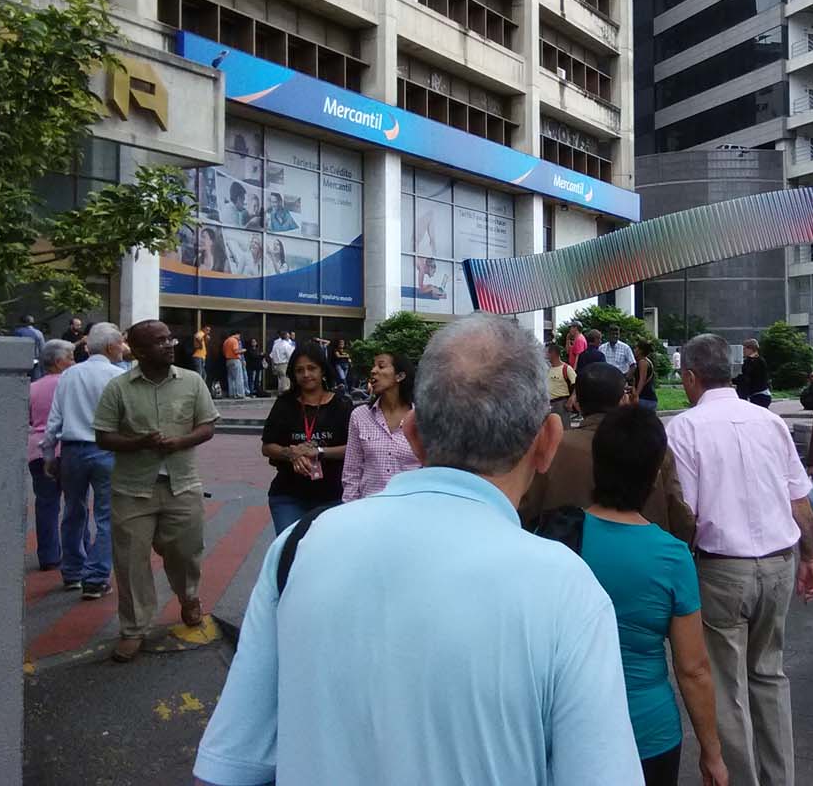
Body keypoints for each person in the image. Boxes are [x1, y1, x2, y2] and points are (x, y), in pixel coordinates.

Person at [193, 313, 642, 785]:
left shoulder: (299, 547)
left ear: (412, 435)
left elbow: (227, 767)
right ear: (548, 441)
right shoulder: (567, 589)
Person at [666, 333, 813, 786]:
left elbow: (686, 514)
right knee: (769, 676)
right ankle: (781, 778)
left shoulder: (684, 428)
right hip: (779, 562)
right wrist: (809, 556)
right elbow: (800, 499)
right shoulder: (769, 422)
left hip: (721, 569)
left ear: (691, 376)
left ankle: (741, 778)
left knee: (726, 686)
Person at [579, 406, 728, 786]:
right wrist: (712, 753)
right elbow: (693, 669)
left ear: (598, 463)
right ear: (654, 472)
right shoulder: (672, 555)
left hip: (571, 724)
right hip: (649, 730)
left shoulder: (560, 536)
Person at [93, 319, 220, 662]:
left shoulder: (192, 381)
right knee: (131, 560)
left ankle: (189, 597)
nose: (170, 344)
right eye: (160, 341)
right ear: (138, 350)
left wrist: (181, 441)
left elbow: (207, 426)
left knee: (185, 550)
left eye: (170, 338)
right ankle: (134, 629)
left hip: (182, 484)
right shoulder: (118, 388)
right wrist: (138, 443)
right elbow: (102, 435)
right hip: (133, 489)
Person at [520, 362, 694, 543]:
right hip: (642, 559)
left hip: (563, 558)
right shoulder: (652, 444)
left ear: (577, 403)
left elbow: (525, 510)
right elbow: (680, 518)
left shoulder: (552, 446)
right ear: (623, 400)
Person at [40, 323, 127, 599]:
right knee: (106, 516)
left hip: (72, 449)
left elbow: (55, 418)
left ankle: (73, 571)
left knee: (73, 512)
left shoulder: (70, 375)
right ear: (112, 346)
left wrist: (48, 453)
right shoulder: (119, 376)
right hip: (107, 450)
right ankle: (96, 577)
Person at [261, 342, 354, 535]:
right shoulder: (284, 404)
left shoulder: (342, 405)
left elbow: (354, 448)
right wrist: (291, 453)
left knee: (327, 553)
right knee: (291, 551)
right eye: (299, 370)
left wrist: (319, 452)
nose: (306, 375)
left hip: (333, 496)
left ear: (322, 370)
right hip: (288, 496)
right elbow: (267, 446)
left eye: (312, 368)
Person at [341, 352, 417, 501]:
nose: (373, 371)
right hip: (369, 507)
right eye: (373, 366)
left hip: (410, 506)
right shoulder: (360, 416)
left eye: (381, 366)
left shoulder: (421, 417)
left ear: (400, 376)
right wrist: (349, 508)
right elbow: (352, 471)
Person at [28, 339, 75, 572]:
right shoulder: (70, 385)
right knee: (74, 506)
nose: (74, 362)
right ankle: (75, 556)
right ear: (59, 362)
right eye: (71, 357)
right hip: (66, 448)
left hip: (36, 450)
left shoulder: (32, 387)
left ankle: (48, 555)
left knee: (46, 504)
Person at [732, 338, 772, 408]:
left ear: (751, 349)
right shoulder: (752, 360)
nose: (743, 351)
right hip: (757, 395)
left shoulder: (756, 361)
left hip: (759, 396)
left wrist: (734, 380)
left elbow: (747, 377)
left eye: (744, 349)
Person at [545, 342, 577, 427]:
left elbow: (577, 384)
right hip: (548, 404)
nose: (544, 355)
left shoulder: (566, 368)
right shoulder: (547, 369)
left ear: (553, 353)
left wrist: (572, 398)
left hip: (561, 404)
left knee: (563, 429)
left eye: (546, 352)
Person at [14, 314, 46, 381]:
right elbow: (42, 349)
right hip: (35, 362)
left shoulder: (18, 332)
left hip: (21, 362)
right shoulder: (38, 333)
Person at [631, 339, 658, 410]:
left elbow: (642, 380)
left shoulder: (642, 362)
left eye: (636, 348)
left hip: (644, 398)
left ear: (640, 350)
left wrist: (636, 395)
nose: (634, 350)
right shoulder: (647, 361)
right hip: (649, 398)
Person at [222, 330, 245, 399]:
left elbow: (224, 352)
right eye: (239, 336)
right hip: (235, 360)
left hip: (228, 360)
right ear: (236, 334)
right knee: (238, 377)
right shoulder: (234, 340)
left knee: (230, 378)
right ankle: (240, 394)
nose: (239, 338)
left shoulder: (226, 341)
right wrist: (243, 350)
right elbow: (236, 351)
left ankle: (232, 394)